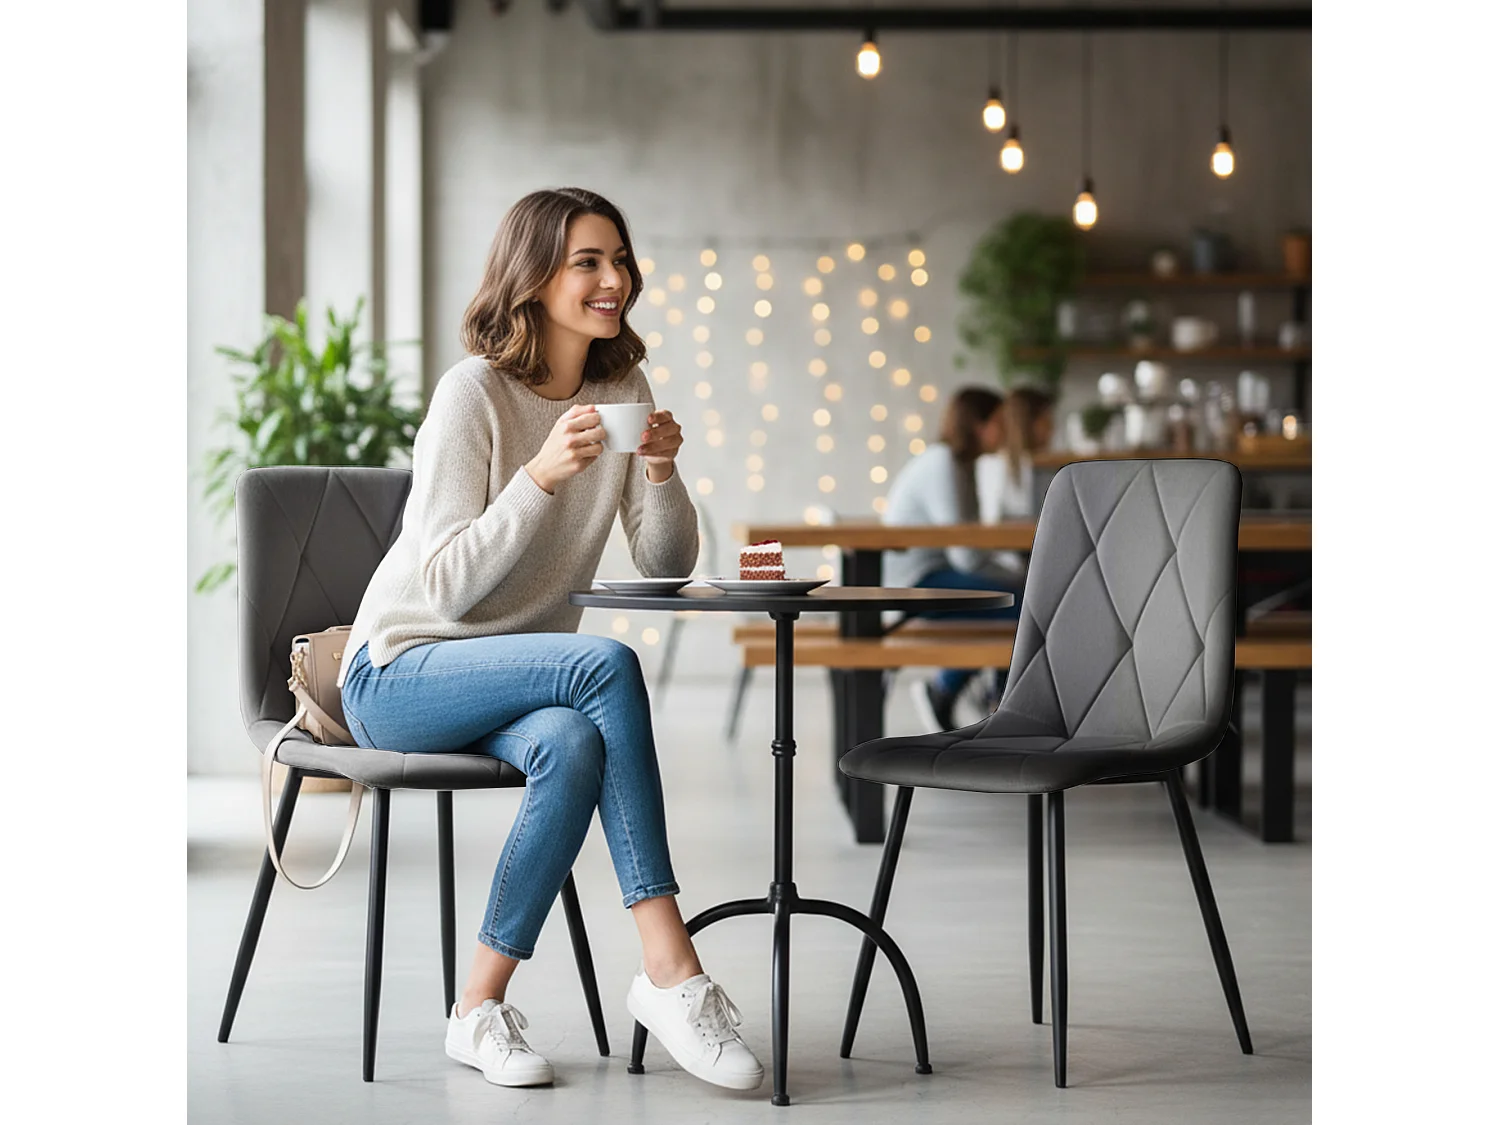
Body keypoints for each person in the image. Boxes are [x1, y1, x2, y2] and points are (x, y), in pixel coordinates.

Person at [337, 188, 763, 1093]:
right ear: (532, 278)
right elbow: (446, 586)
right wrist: (537, 475)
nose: (615, 280)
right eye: (588, 262)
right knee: (605, 662)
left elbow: (663, 561)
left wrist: (657, 467)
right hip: (402, 671)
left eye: (620, 260)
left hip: (522, 683)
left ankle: (475, 1009)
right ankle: (670, 968)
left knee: (572, 742)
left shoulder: (622, 389)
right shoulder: (473, 395)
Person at [883, 385, 1054, 731]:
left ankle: (988, 703)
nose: (1007, 431)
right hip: (914, 583)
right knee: (1022, 603)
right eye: (1000, 422)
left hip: (932, 574)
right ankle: (987, 705)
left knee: (1020, 603)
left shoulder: (960, 464)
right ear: (980, 425)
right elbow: (966, 556)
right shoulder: (943, 463)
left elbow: (970, 548)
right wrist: (1016, 578)